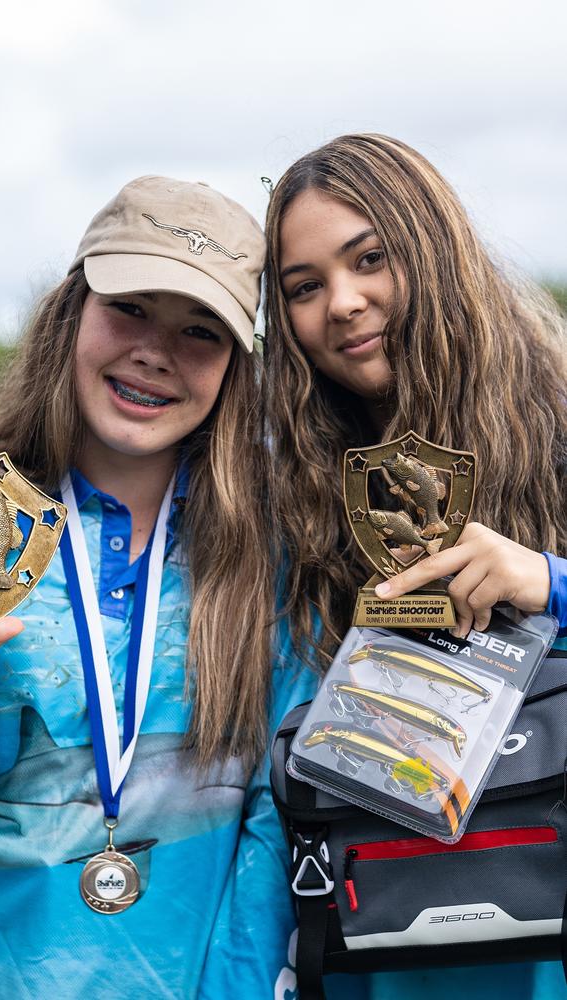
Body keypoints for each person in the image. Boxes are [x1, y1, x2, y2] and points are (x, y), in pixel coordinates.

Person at [0, 176, 316, 999]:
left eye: (200, 331)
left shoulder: (276, 562)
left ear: (239, 369)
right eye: (130, 307)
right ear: (71, 312)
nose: (155, 352)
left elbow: (275, 830)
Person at [263, 133, 567, 997]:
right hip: (370, 953)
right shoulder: (285, 492)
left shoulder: (559, 431)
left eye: (371, 259)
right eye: (304, 288)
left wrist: (549, 581)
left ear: (434, 251)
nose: (344, 303)